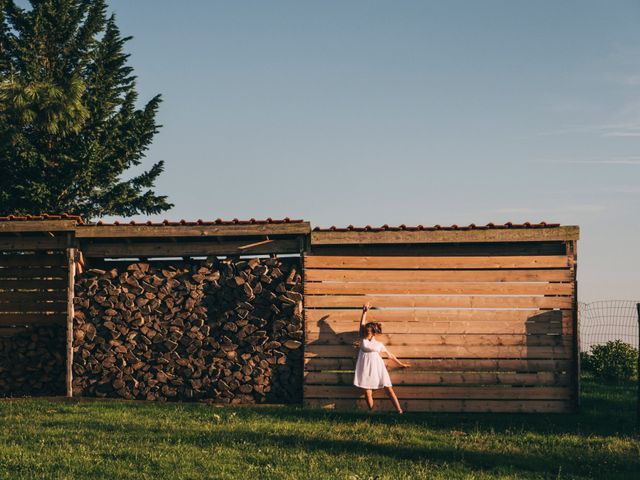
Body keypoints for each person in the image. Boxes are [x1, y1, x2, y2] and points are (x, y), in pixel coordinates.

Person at [353, 302, 410, 413]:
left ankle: (399, 411)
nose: (366, 332)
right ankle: (372, 412)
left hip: (378, 368)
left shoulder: (379, 345)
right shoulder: (363, 339)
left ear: (373, 333)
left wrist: (401, 364)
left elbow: (390, 355)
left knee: (388, 388)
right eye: (366, 331)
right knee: (367, 391)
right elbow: (362, 325)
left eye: (368, 331)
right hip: (365, 368)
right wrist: (364, 312)